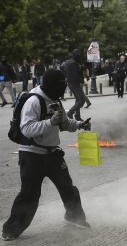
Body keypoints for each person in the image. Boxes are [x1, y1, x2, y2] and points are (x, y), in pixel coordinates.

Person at [2, 69, 92, 241]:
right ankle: (11, 229)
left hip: (52, 153)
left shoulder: (55, 100)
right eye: (62, 85)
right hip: (32, 154)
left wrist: (80, 124)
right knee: (29, 194)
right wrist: (50, 122)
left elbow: (64, 123)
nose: (64, 88)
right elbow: (27, 128)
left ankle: (74, 217)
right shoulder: (34, 101)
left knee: (68, 187)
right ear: (52, 85)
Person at [66, 49, 86, 121]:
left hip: (71, 83)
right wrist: (82, 81)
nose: (79, 56)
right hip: (75, 83)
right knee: (81, 100)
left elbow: (72, 73)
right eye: (78, 54)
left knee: (78, 99)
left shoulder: (69, 62)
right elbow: (75, 74)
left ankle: (77, 116)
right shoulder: (74, 63)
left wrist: (81, 69)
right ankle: (70, 112)